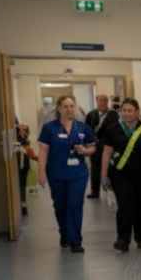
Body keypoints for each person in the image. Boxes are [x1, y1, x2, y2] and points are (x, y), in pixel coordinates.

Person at [99, 98, 141, 252]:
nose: (126, 114)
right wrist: (103, 175)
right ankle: (122, 239)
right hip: (121, 174)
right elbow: (107, 153)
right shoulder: (113, 128)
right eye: (124, 110)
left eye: (130, 111)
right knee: (125, 206)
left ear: (137, 112)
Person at [37, 95, 97, 253]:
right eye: (65, 106)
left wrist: (85, 150)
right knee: (60, 206)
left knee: (75, 205)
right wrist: (41, 172)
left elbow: (93, 148)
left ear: (75, 107)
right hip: (56, 173)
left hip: (78, 173)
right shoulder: (50, 128)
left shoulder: (83, 128)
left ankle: (75, 240)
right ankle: (64, 233)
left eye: (72, 106)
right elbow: (43, 151)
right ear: (59, 109)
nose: (69, 109)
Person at [85, 93, 120, 199]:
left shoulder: (113, 114)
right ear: (97, 101)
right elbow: (86, 129)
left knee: (111, 167)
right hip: (95, 146)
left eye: (105, 100)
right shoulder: (91, 114)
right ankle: (95, 191)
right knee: (95, 168)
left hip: (109, 146)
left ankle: (112, 189)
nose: (103, 103)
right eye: (101, 100)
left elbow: (117, 129)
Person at [14, 121, 38, 216]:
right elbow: (31, 154)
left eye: (26, 129)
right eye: (24, 129)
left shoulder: (24, 139)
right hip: (20, 165)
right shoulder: (18, 139)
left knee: (22, 184)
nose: (25, 130)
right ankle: (22, 204)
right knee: (21, 185)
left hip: (24, 165)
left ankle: (23, 203)